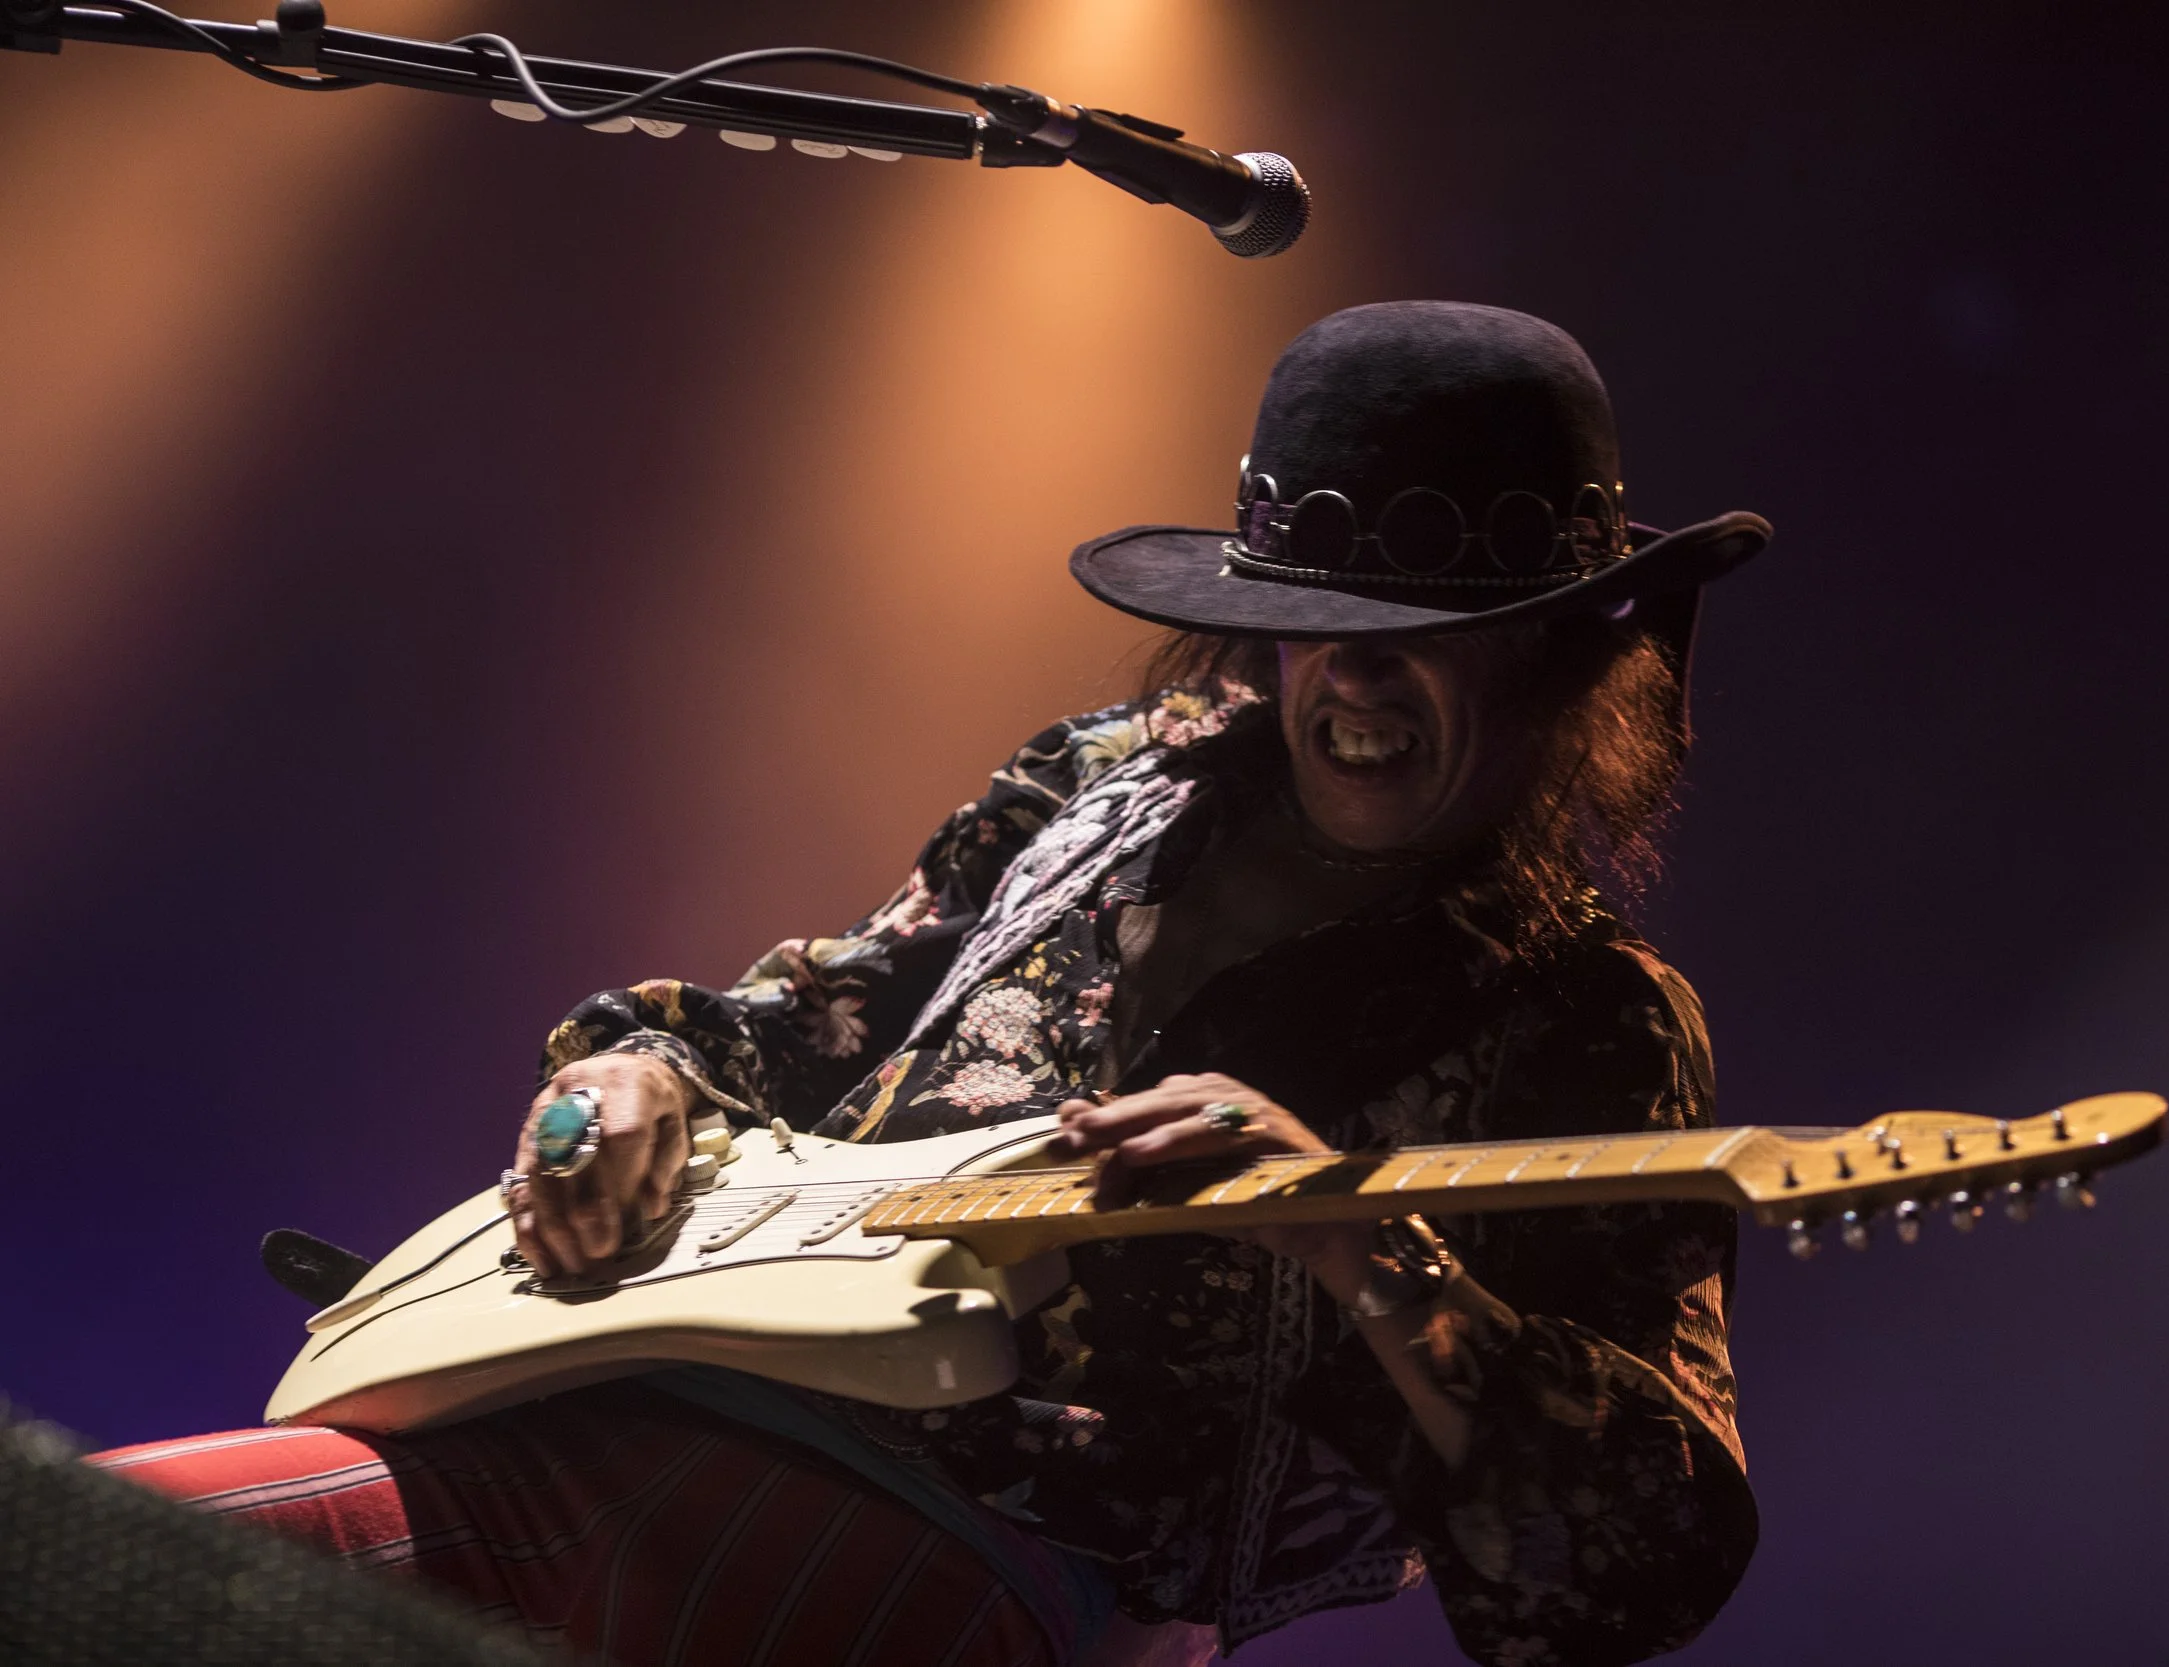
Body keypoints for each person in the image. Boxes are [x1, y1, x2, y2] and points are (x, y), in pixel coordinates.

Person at [96, 302, 1773, 1667]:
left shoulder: (1586, 1014)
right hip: (609, 1425)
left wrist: (1358, 1236)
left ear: (1563, 650)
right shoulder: (1100, 781)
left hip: (978, 1578)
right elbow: (767, 1036)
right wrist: (610, 1090)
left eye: (1430, 627)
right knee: (88, 1566)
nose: (1354, 676)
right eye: (1315, 617)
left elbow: (1634, 1556)